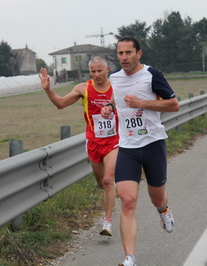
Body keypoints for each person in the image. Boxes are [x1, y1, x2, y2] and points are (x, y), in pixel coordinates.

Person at [101, 36, 179, 266]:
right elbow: (117, 98)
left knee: (157, 198)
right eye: (120, 53)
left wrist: (141, 103)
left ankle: (163, 211)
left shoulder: (151, 74)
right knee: (127, 201)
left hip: (153, 144)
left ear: (139, 53)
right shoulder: (114, 78)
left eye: (128, 53)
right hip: (127, 147)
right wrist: (109, 107)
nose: (124, 57)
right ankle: (130, 259)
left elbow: (174, 104)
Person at [39, 56, 118, 236]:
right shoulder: (84, 89)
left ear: (107, 69)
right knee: (101, 183)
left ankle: (107, 223)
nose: (97, 74)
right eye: (93, 71)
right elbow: (61, 104)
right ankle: (111, 195)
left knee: (108, 180)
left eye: (100, 70)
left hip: (114, 142)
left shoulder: (117, 88)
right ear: (89, 72)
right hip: (93, 143)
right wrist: (48, 90)